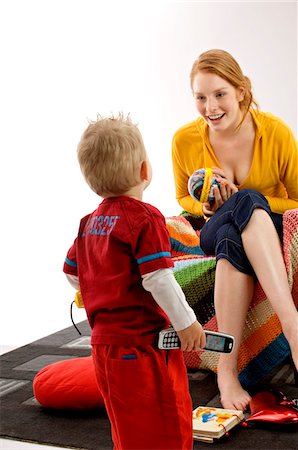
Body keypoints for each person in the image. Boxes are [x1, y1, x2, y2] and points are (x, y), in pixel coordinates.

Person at [63, 113, 206, 450]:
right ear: (145, 170)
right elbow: (158, 277)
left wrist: (98, 287)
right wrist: (187, 324)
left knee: (127, 427)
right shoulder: (145, 218)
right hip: (143, 347)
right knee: (169, 421)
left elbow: (72, 273)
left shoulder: (88, 223)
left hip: (103, 348)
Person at [172, 49, 298, 411]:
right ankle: (292, 325)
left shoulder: (274, 132)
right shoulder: (184, 140)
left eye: (219, 94)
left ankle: (226, 371)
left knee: (238, 222)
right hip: (211, 227)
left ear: (241, 91)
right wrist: (208, 206)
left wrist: (247, 198)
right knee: (227, 222)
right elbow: (182, 195)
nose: (210, 107)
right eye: (200, 97)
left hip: (265, 227)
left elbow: (297, 202)